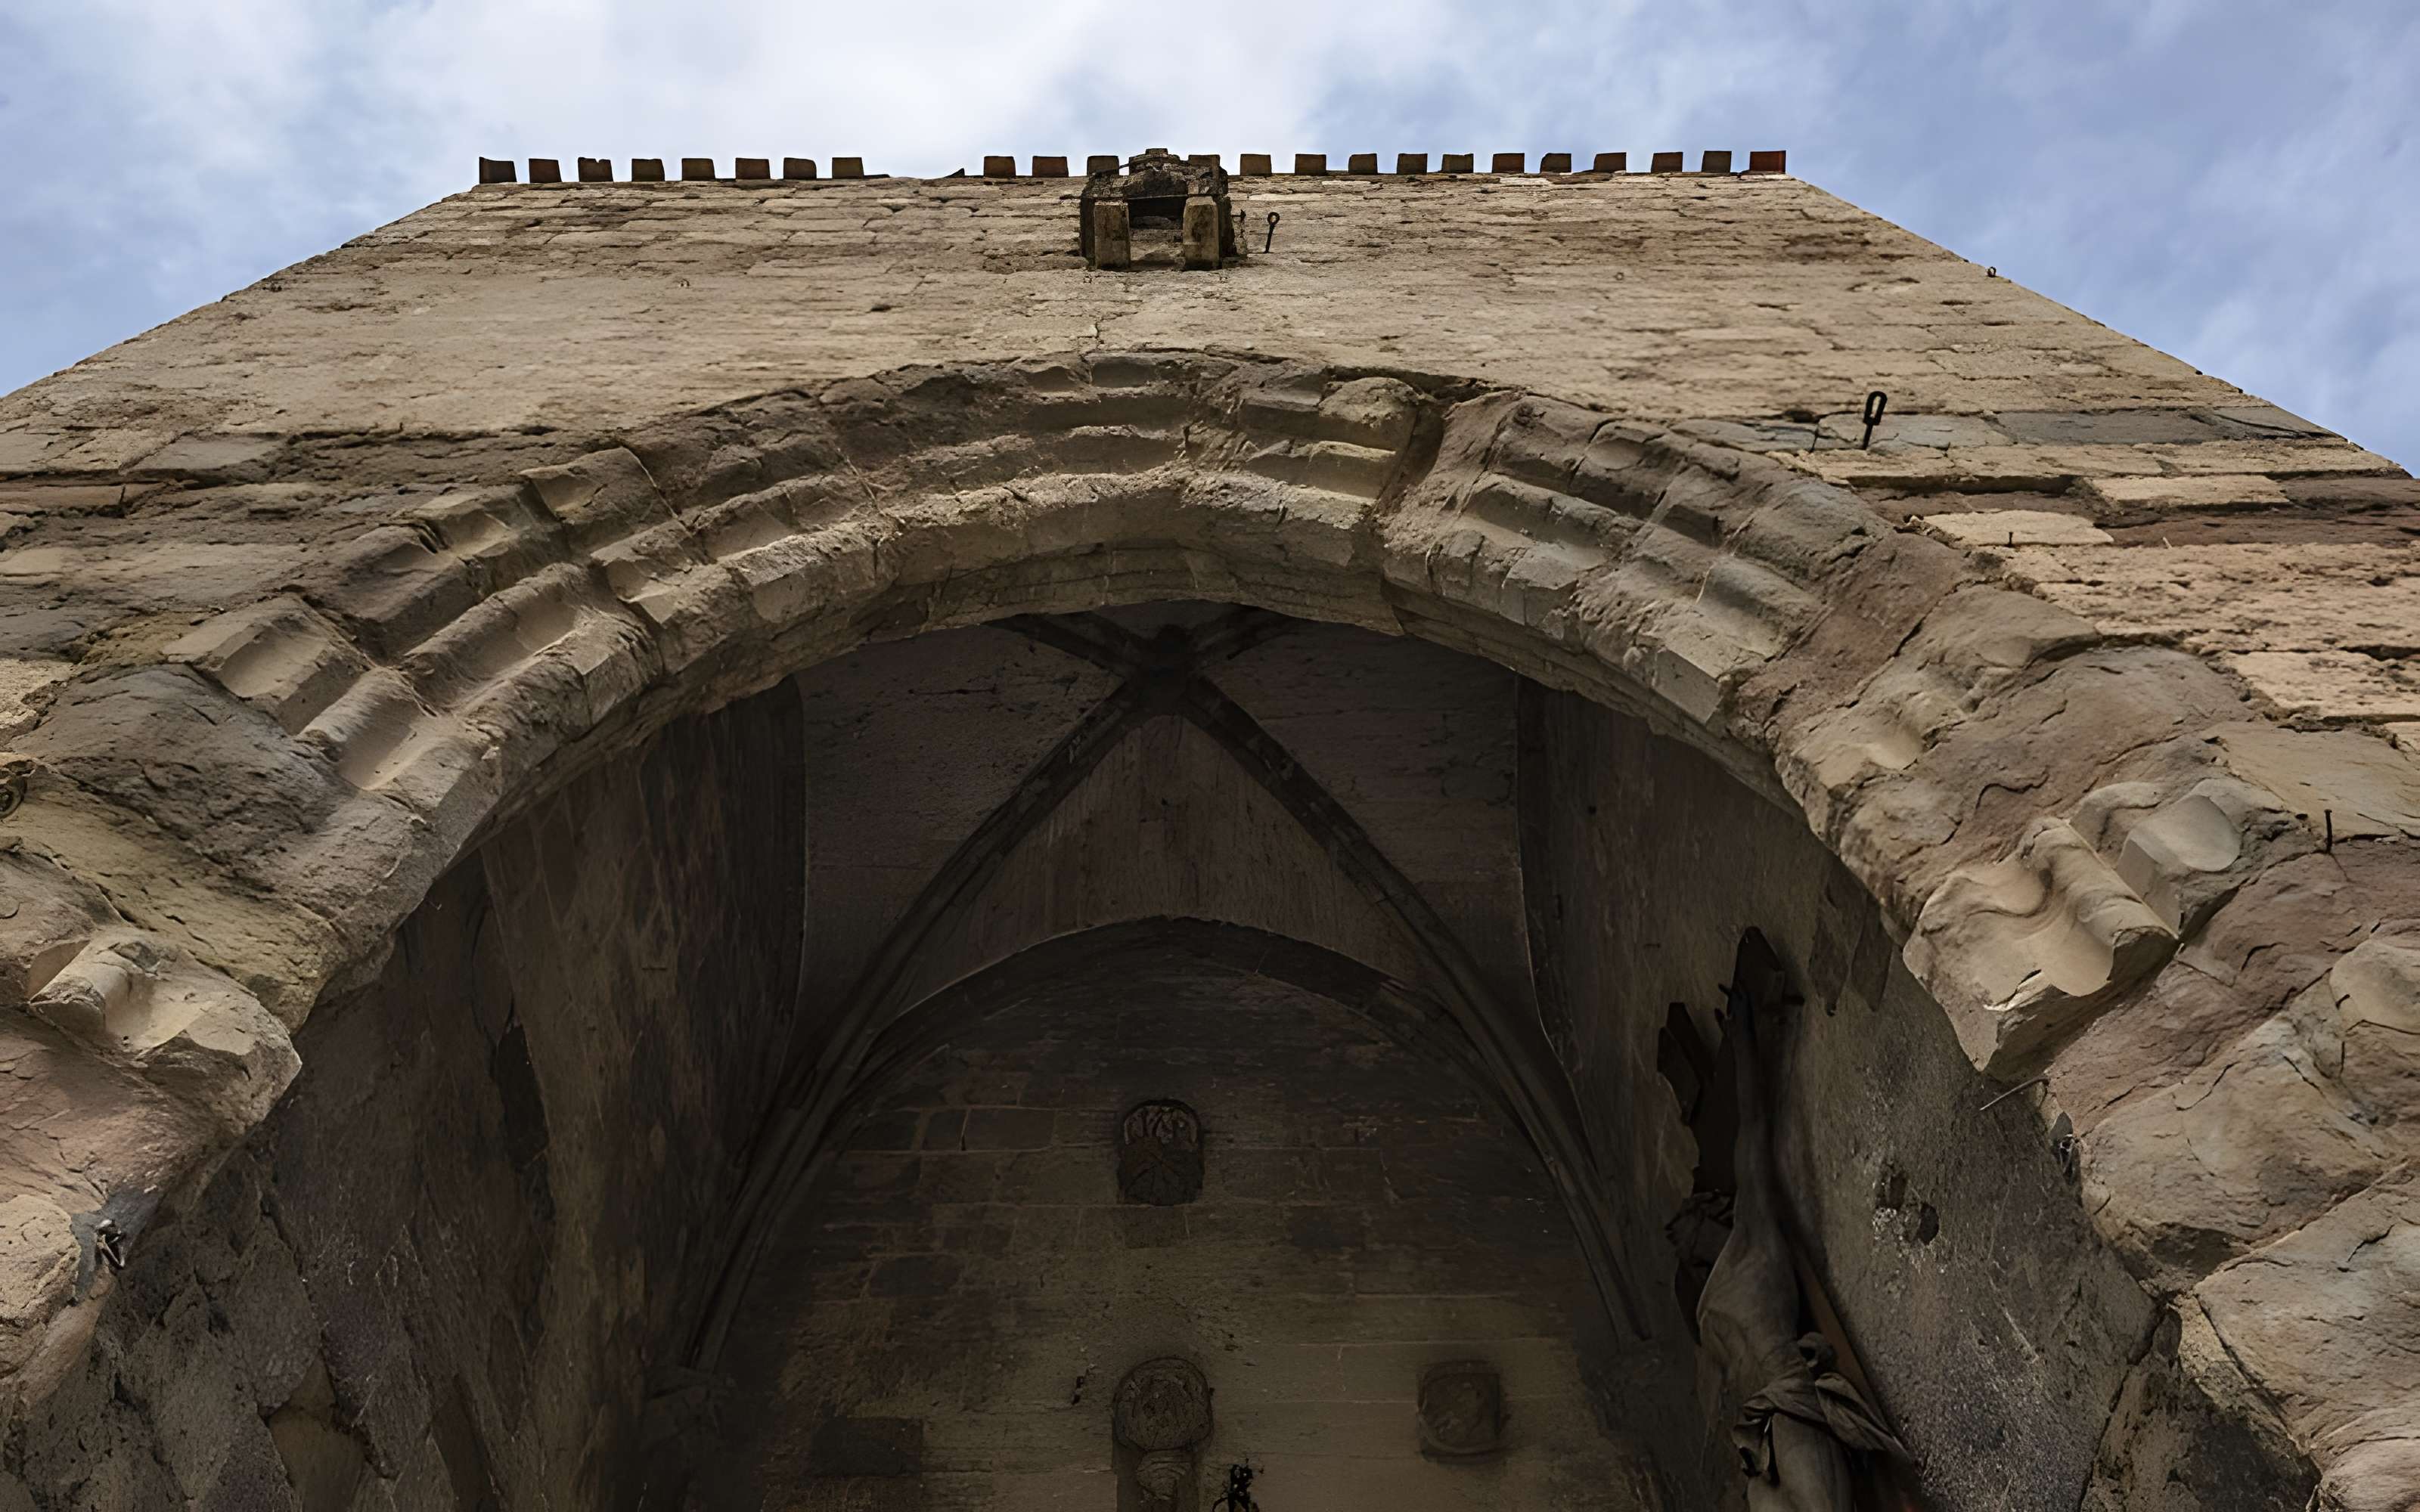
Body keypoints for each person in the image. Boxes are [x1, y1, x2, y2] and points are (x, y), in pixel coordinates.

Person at [1696, 930, 1909, 1510]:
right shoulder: (1741, 1272)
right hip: (1781, 1412)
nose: (1682, 1234)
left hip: (1783, 1407)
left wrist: (1743, 1041)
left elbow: (1754, 1142)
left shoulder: (1754, 1244)